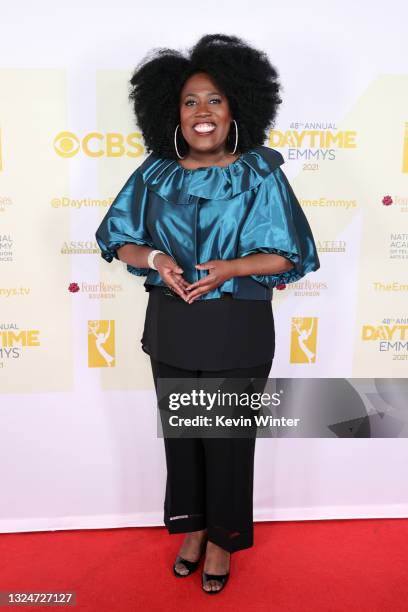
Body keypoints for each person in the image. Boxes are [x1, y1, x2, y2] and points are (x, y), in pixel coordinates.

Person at [95, 33, 320, 595]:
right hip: (171, 325)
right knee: (183, 439)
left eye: (215, 100)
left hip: (237, 327)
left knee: (226, 442)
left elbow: (290, 255)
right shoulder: (154, 173)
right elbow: (116, 239)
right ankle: (191, 529)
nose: (202, 112)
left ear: (236, 107)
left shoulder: (261, 175)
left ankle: (223, 539)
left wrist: (232, 268)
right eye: (190, 101)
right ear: (171, 111)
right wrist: (154, 257)